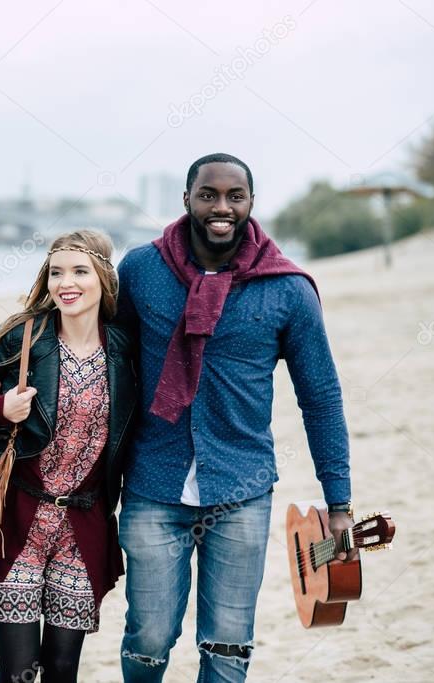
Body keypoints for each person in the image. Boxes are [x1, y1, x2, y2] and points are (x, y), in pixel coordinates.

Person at [115, 153, 355, 682]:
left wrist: (338, 501)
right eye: (208, 195)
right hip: (154, 480)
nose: (221, 207)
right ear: (187, 200)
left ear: (250, 203)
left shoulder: (287, 289)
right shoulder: (139, 270)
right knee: (148, 637)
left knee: (227, 642)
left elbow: (321, 397)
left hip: (242, 487)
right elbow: (105, 360)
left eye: (234, 196)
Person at [0, 230, 138, 683]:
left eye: (79, 271)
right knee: (18, 672)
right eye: (56, 272)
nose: (65, 283)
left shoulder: (127, 349)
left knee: (60, 670)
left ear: (103, 280)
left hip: (83, 524)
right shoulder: (25, 336)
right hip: (17, 518)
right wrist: (0, 408)